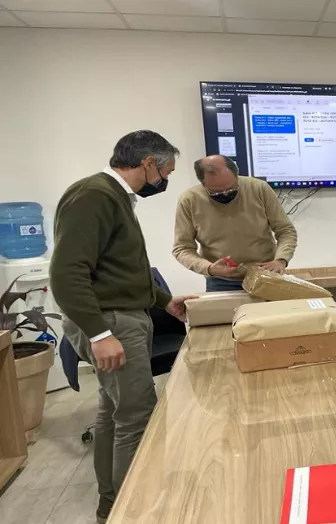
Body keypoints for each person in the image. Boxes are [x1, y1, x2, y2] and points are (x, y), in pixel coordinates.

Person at [50, 130, 195, 524]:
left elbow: (123, 269)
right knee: (137, 418)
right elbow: (66, 273)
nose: (165, 180)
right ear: (148, 163)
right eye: (166, 171)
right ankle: (137, 510)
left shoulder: (115, 197)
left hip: (124, 316)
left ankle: (111, 505)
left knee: (112, 413)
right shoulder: (94, 195)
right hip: (111, 321)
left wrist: (165, 301)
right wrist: (100, 334)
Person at [173, 155, 298, 292]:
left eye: (231, 188)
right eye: (216, 191)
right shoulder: (190, 200)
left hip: (265, 275)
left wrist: (281, 260)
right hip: (220, 281)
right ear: (203, 184)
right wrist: (208, 268)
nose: (225, 194)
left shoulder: (259, 188)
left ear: (237, 176)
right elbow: (182, 248)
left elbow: (285, 230)